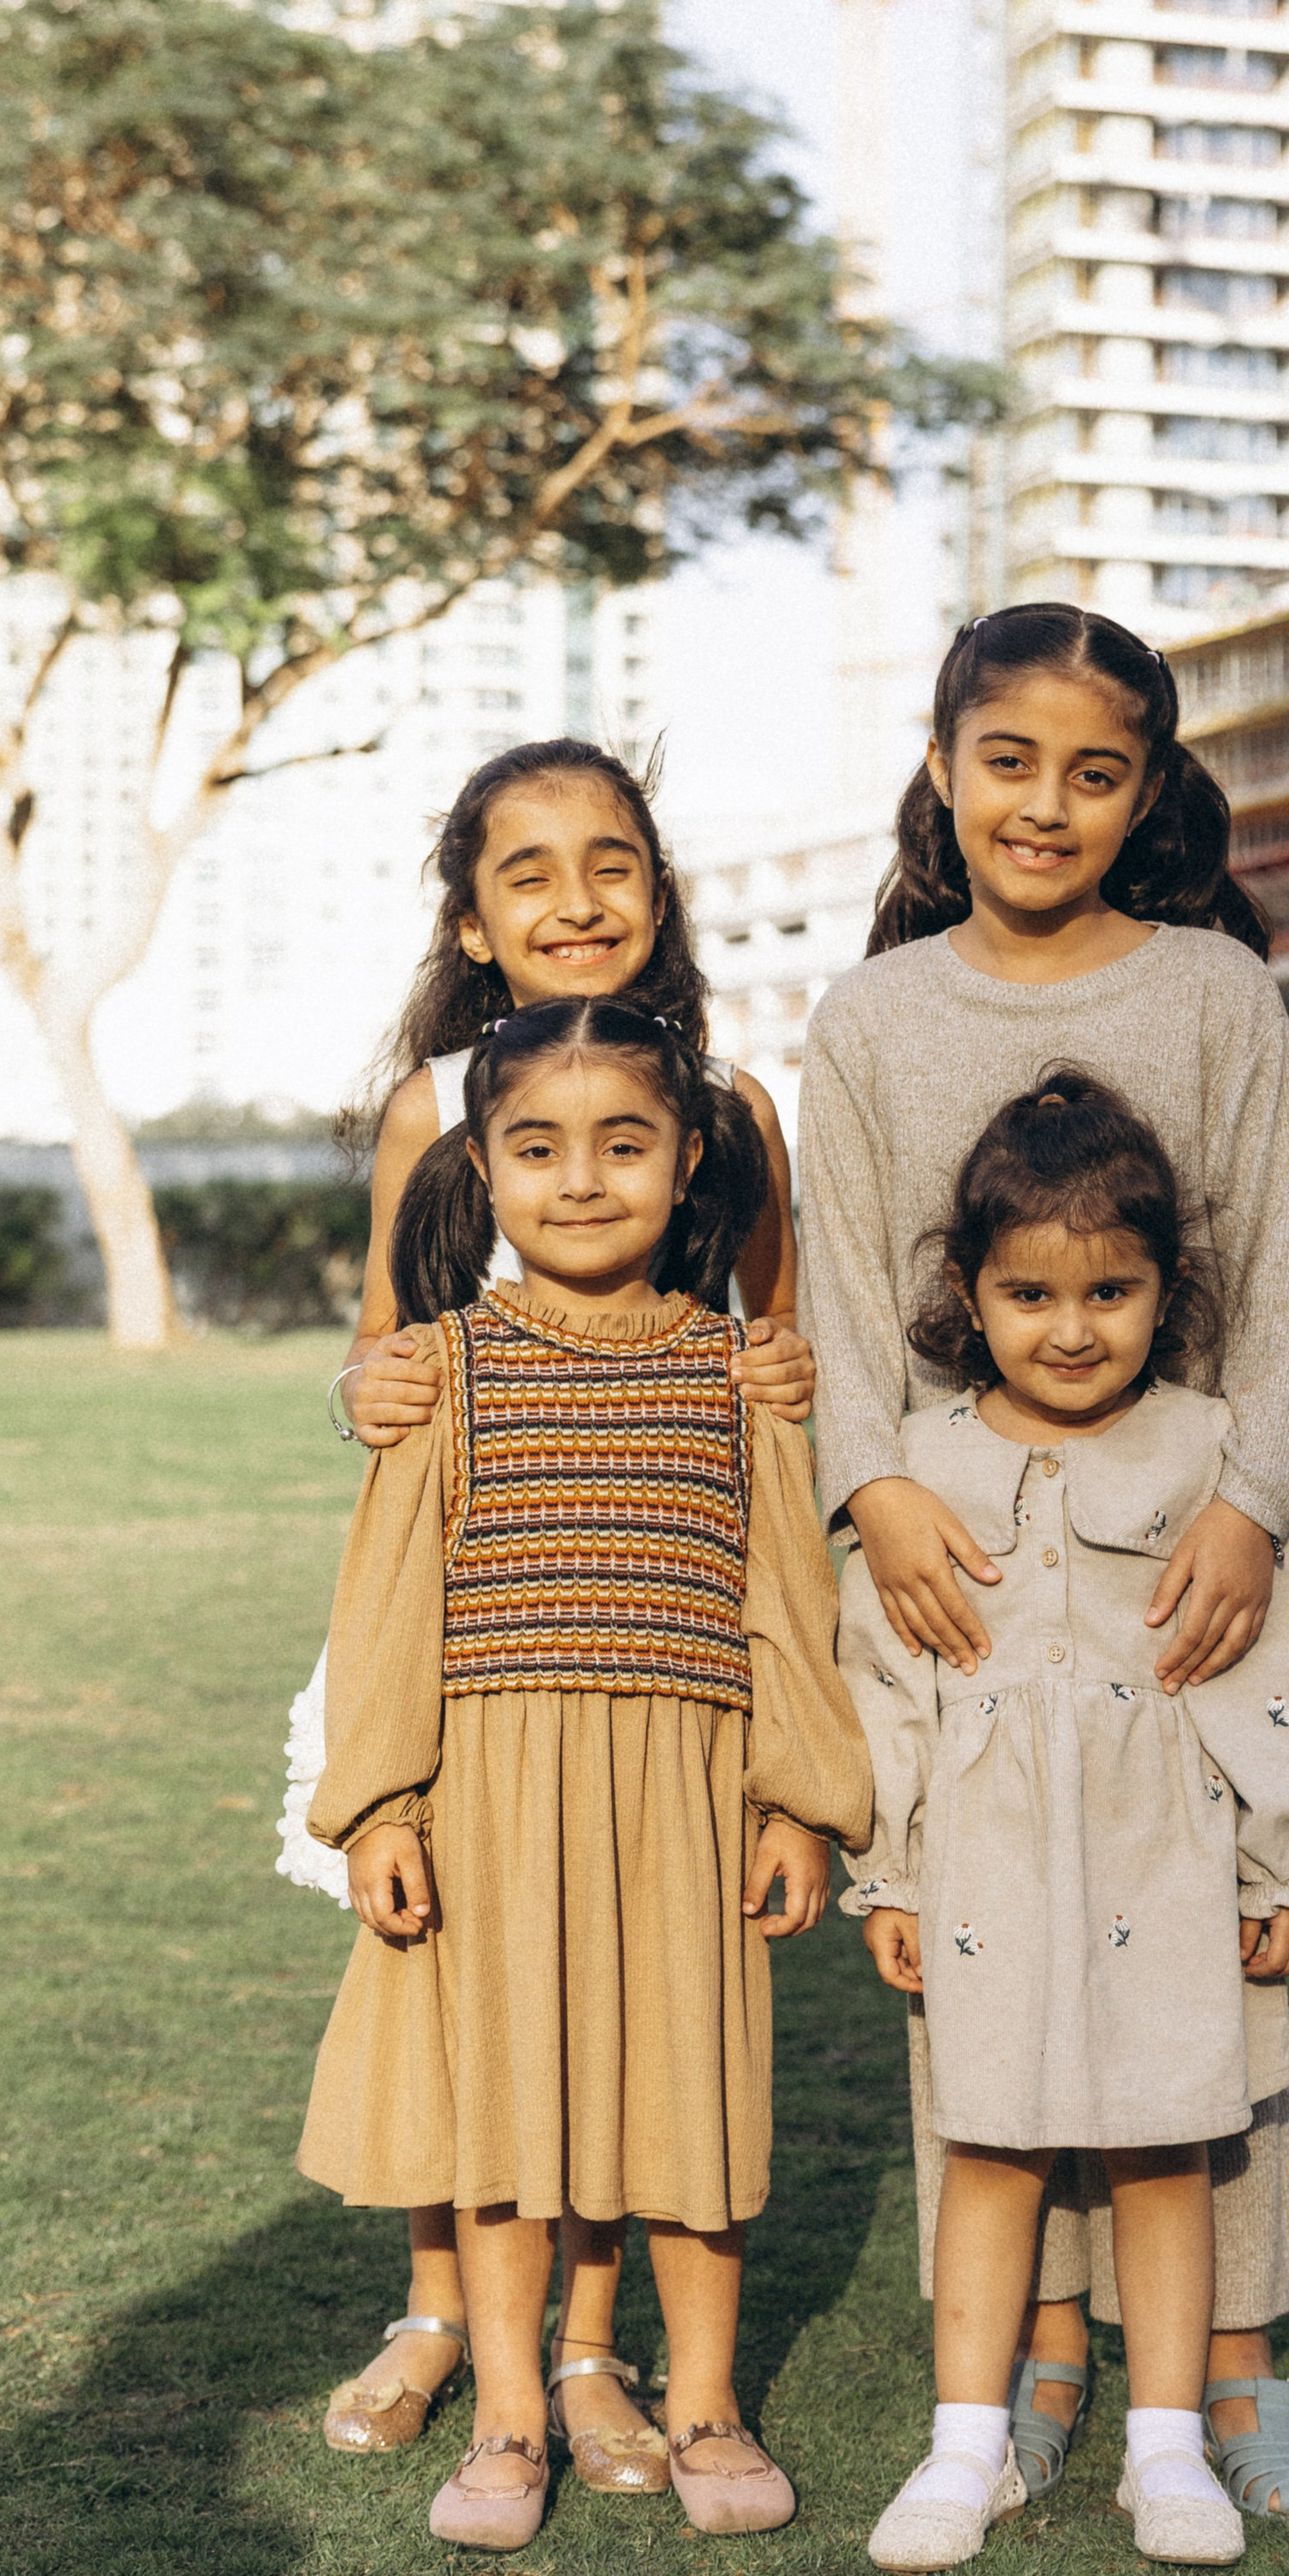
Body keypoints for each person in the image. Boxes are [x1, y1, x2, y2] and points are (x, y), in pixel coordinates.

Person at [798, 602, 1289, 2528]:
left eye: (1094, 771)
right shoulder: (871, 1018)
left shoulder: (1213, 995)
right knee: (989, 1967)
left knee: (1213, 1987)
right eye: (1008, 761)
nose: (1045, 804)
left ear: (1147, 792)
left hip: (1173, 1560)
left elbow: (1285, 1273)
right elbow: (841, 1294)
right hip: (953, 1552)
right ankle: (1031, 2363)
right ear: (942, 768)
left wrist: (1248, 1503)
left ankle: (1231, 2369)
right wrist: (873, 1495)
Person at [281, 737, 812, 2484]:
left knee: (614, 1987)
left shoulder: (724, 1106)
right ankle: (441, 2318)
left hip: (654, 1612)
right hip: (478, 1602)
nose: (575, 900)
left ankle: (588, 2354)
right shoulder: (435, 1103)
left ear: (657, 892)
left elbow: (771, 1333)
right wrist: (369, 1388)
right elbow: (383, 1334)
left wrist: (780, 1375)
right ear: (472, 919)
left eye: (611, 863)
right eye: (530, 872)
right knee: (464, 1984)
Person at [841, 1072, 1289, 2570]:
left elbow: (1272, 1666)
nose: (1072, 1329)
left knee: (1167, 2148)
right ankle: (966, 2448)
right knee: (990, 2147)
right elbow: (884, 1680)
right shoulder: (918, 1470)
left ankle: (1168, 2452)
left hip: (1162, 1856)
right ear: (968, 1292)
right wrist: (889, 1873)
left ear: (1164, 1289)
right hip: (987, 1860)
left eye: (1110, 1292)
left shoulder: (1210, 1459)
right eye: (1031, 1294)